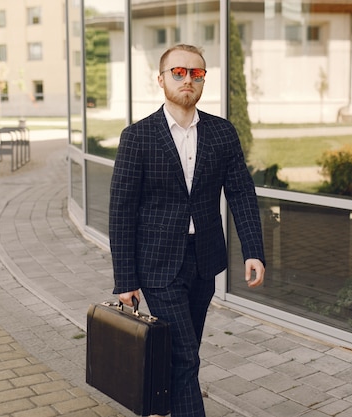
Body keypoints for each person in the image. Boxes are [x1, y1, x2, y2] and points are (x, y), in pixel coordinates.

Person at [109, 44, 266, 417]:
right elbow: (121, 211)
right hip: (158, 266)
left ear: (203, 81)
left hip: (203, 261)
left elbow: (241, 192)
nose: (187, 80)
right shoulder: (138, 136)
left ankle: (160, 405)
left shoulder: (222, 133)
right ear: (161, 79)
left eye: (196, 74)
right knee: (185, 355)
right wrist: (125, 279)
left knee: (183, 352)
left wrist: (253, 250)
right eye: (178, 72)